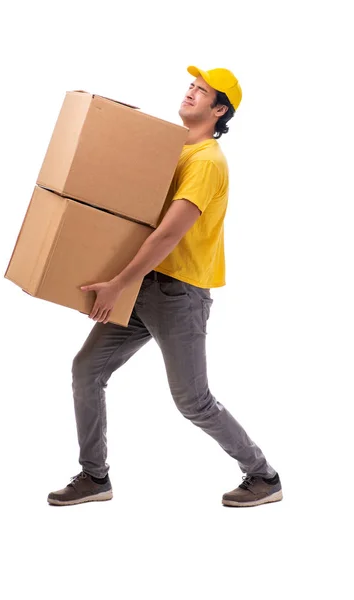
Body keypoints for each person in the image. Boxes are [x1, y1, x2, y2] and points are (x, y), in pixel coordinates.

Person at [47, 66, 283, 508]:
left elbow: (168, 234)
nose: (191, 92)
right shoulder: (170, 150)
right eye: (190, 85)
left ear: (219, 110)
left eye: (203, 91)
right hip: (143, 284)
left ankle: (262, 474)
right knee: (86, 370)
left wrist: (117, 284)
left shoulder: (207, 162)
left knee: (193, 401)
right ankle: (95, 477)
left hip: (179, 293)